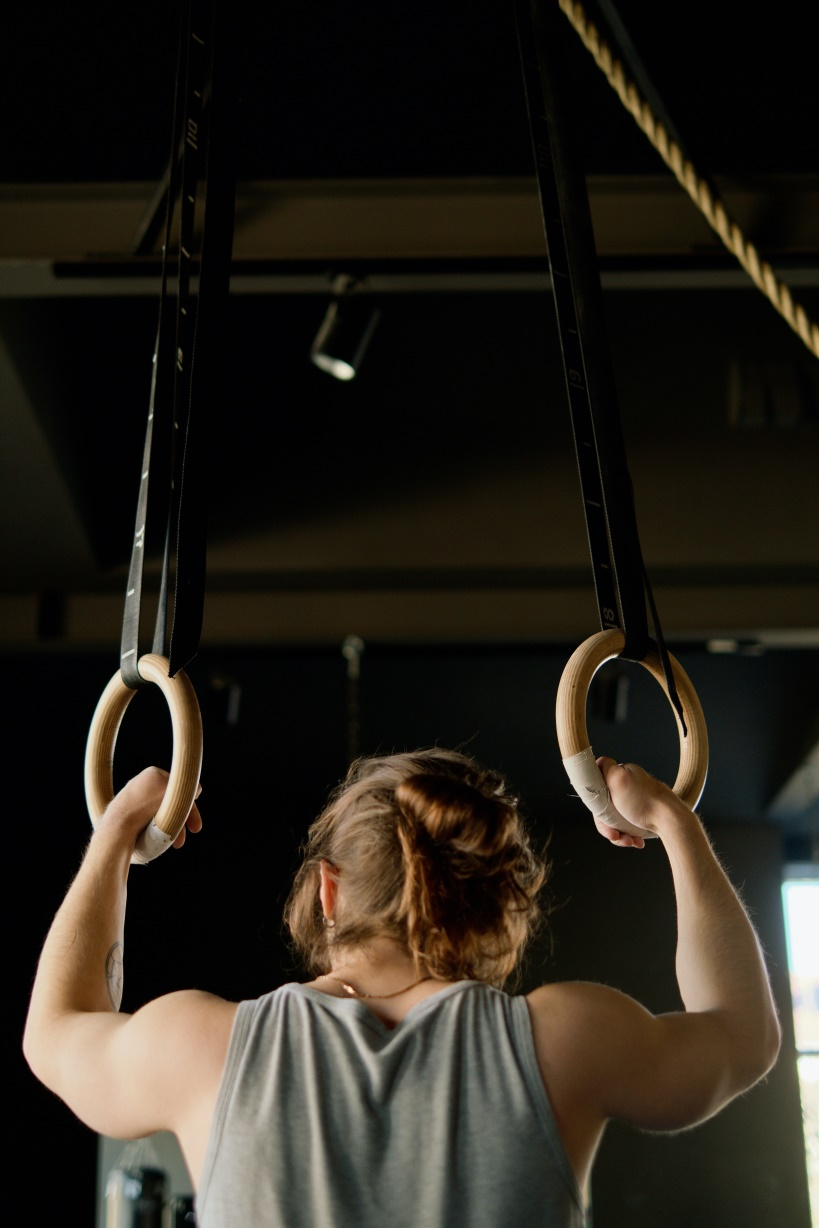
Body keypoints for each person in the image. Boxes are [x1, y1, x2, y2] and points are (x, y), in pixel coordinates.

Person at [23, 748, 780, 1227]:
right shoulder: (565, 1039)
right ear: (492, 904)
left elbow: (54, 1030)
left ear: (328, 891)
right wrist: (674, 822)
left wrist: (116, 833)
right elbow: (741, 1032)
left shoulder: (202, 1049)